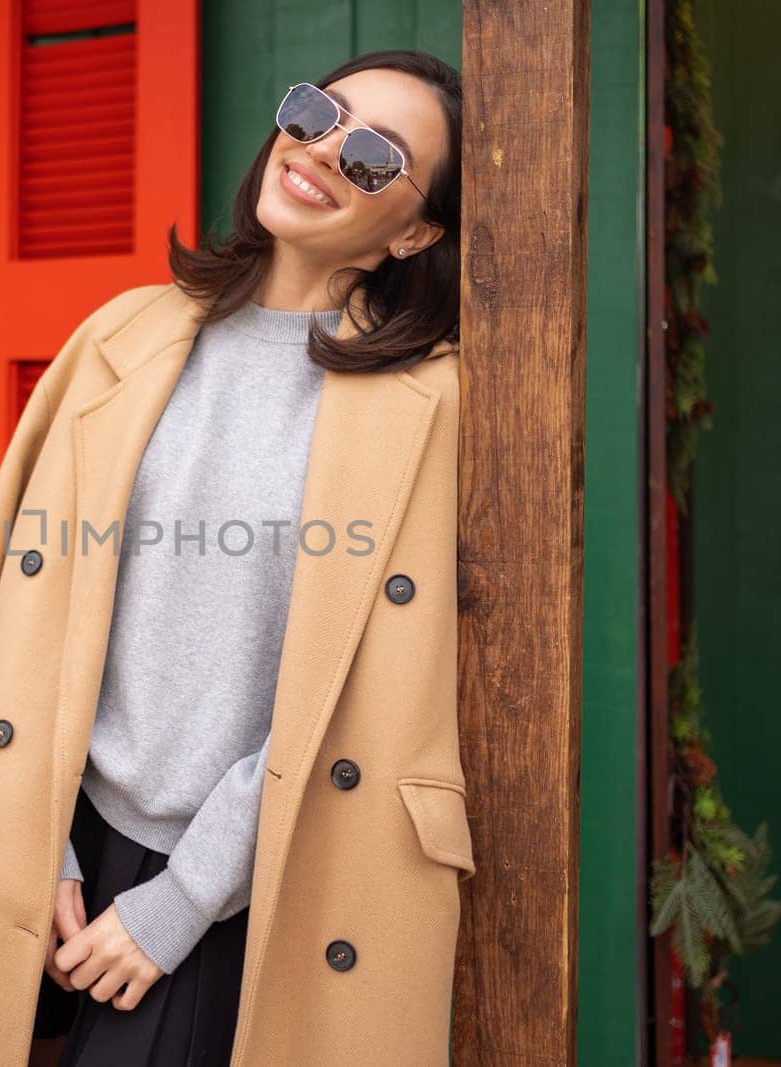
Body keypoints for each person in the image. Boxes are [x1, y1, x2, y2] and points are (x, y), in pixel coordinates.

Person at [27, 48, 464, 1066]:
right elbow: (32, 604)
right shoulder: (121, 340)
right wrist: (33, 831)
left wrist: (182, 898)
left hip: (249, 874)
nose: (317, 151)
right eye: (316, 112)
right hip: (64, 839)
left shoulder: (429, 403)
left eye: (372, 158)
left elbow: (355, 693)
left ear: (415, 231)